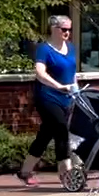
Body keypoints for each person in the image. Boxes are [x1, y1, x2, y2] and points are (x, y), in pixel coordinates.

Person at [19, 15, 78, 187]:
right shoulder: (44, 49)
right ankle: (66, 173)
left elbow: (72, 73)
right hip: (47, 97)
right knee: (61, 129)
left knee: (45, 135)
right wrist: (58, 86)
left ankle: (25, 171)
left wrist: (75, 90)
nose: (67, 33)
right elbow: (40, 73)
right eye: (64, 29)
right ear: (54, 29)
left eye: (69, 30)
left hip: (66, 98)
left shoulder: (71, 48)